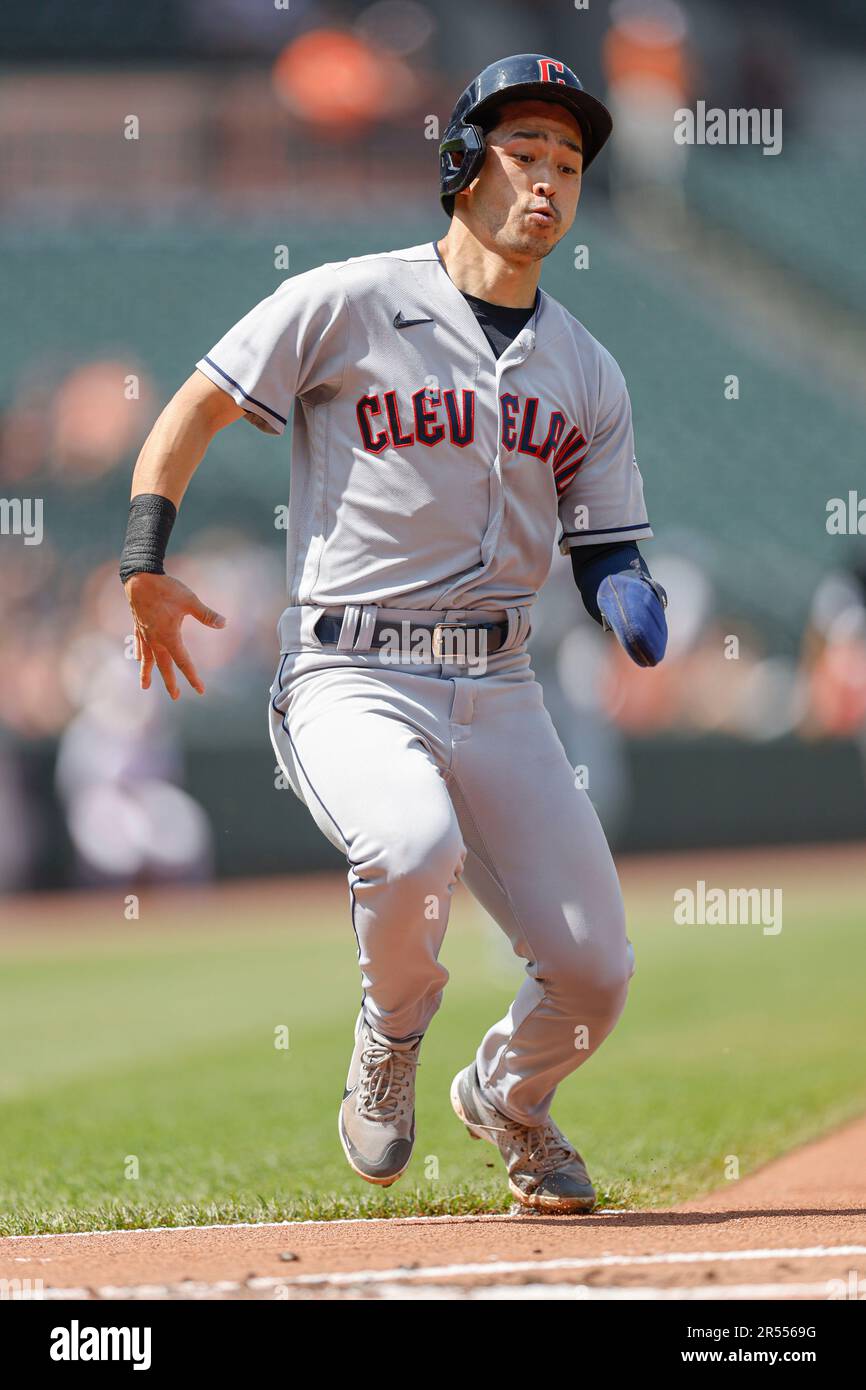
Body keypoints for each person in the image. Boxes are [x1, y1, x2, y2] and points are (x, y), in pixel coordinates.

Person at [120, 54, 668, 1213]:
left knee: (593, 973)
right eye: (524, 153)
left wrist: (623, 587)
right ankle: (391, 1031)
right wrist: (142, 559)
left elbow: (603, 538)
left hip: (501, 680)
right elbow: (199, 402)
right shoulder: (348, 299)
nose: (547, 182)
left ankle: (508, 1098)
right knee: (410, 845)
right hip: (349, 668)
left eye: (568, 163)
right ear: (462, 164)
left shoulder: (586, 365)